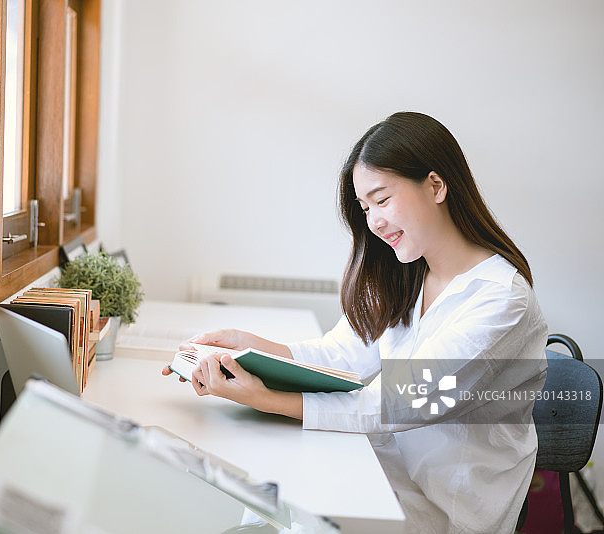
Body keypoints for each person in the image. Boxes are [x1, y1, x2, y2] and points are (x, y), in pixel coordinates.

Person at [162, 111, 547, 534]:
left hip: (447, 506)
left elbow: (401, 402)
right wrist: (247, 349)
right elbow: (340, 356)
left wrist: (266, 399)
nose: (374, 222)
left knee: (284, 506)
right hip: (381, 467)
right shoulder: (406, 273)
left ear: (436, 185)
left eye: (382, 200)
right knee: (262, 494)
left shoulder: (500, 299)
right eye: (365, 208)